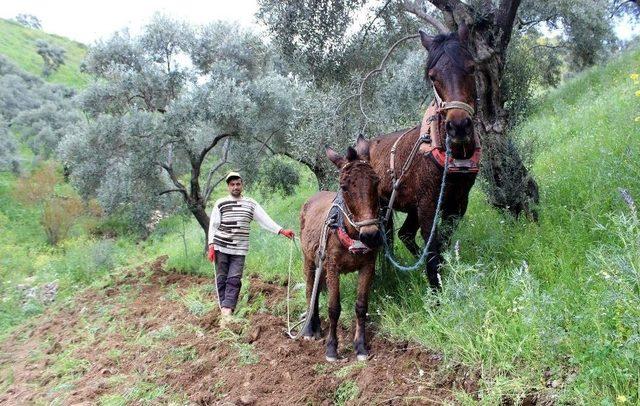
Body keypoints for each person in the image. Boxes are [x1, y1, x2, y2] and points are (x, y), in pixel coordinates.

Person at [207, 171, 295, 320]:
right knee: (222, 278)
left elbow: (265, 220)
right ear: (228, 187)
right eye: (232, 184)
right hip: (221, 246)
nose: (235, 187)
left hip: (239, 250)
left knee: (234, 279)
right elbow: (213, 225)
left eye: (238, 184)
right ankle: (225, 308)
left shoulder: (250, 204)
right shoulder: (220, 203)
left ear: (242, 185)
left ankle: (227, 309)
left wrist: (281, 230)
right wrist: (211, 244)